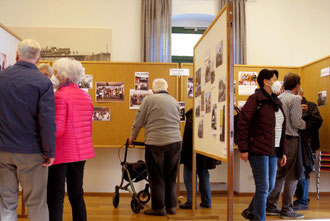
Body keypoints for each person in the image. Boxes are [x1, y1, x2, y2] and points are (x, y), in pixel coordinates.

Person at [0, 39, 56, 221]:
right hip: (32, 151)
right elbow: (46, 121)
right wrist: (49, 151)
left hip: (3, 150)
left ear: (16, 55)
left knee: (6, 204)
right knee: (36, 204)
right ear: (38, 59)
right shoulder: (43, 82)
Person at [47, 58, 95, 221]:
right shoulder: (85, 96)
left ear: (62, 75)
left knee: (55, 195)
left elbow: (58, 129)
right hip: (81, 152)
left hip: (62, 152)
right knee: (77, 194)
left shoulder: (60, 96)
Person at [236, 69, 287, 221]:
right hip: (258, 149)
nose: (277, 82)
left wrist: (282, 151)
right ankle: (259, 218)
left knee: (269, 186)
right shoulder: (255, 99)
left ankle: (251, 211)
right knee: (263, 186)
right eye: (274, 79)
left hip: (272, 149)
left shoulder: (276, 101)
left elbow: (280, 129)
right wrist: (243, 148)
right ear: (266, 81)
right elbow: (242, 124)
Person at [129, 78, 182, 216]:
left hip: (155, 143)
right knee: (170, 176)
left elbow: (139, 120)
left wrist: (132, 137)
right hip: (175, 142)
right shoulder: (174, 101)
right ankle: (171, 207)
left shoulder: (149, 99)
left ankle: (158, 208)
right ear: (167, 89)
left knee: (156, 176)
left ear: (153, 90)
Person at [266, 73, 306, 219]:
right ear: (297, 85)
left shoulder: (278, 98)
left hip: (277, 141)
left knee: (280, 173)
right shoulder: (295, 99)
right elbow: (296, 122)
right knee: (292, 176)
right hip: (291, 140)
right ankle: (287, 210)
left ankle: (271, 204)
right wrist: (305, 123)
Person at [179, 108, 217, 209]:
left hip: (192, 152)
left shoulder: (193, 114)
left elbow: (189, 135)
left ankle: (191, 202)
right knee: (204, 174)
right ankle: (207, 201)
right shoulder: (211, 112)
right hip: (205, 152)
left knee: (189, 176)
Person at [294, 90, 323, 211]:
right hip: (296, 143)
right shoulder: (292, 105)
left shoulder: (311, 106)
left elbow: (318, 121)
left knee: (305, 170)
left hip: (308, 144)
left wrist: (304, 125)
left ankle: (303, 200)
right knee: (297, 172)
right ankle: (301, 198)